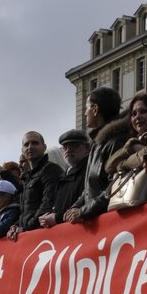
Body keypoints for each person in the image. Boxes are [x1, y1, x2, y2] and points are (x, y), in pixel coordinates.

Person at [63, 88, 125, 223]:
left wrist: (83, 211)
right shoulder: (96, 143)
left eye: (87, 108)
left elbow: (113, 187)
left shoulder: (116, 141)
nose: (85, 113)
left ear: (95, 109)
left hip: (109, 223)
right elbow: (90, 187)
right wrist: (75, 208)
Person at [7, 131, 61, 235]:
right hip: (29, 236)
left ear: (44, 147)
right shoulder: (26, 177)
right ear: (22, 150)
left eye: (35, 143)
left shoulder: (51, 170)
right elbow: (26, 211)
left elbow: (47, 205)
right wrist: (16, 225)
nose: (30, 147)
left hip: (44, 236)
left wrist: (25, 229)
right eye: (26, 144)